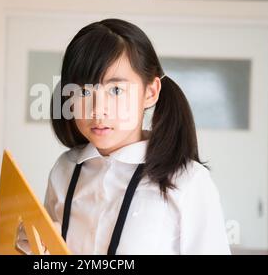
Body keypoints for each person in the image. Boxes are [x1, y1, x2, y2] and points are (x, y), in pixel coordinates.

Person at [22, 18, 231, 255]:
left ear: (150, 92)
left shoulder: (188, 180)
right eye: (83, 90)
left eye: (116, 90)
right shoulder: (65, 169)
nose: (97, 109)